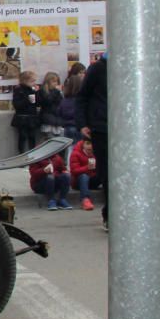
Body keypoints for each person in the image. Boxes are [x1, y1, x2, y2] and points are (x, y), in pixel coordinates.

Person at [75, 53, 109, 228]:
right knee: (108, 172)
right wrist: (83, 124)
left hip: (126, 128)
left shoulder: (132, 66)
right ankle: (110, 214)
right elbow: (82, 97)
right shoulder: (98, 69)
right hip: (102, 128)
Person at [11, 71, 39, 154]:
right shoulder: (18, 90)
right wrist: (27, 100)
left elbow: (37, 103)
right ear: (24, 80)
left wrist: (37, 94)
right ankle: (21, 154)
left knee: (32, 137)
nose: (34, 83)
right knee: (23, 137)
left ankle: (33, 155)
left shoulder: (32, 90)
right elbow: (17, 105)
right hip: (22, 117)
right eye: (32, 81)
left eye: (34, 81)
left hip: (32, 117)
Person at [69, 138, 101, 211]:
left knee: (103, 173)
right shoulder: (75, 154)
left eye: (91, 144)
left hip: (91, 179)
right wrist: (87, 167)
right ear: (83, 145)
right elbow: (74, 171)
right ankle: (85, 199)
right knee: (84, 176)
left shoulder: (95, 153)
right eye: (88, 144)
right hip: (78, 181)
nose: (90, 147)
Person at [38, 71, 64, 138]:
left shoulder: (57, 92)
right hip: (47, 118)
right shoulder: (42, 91)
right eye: (54, 82)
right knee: (49, 138)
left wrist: (59, 93)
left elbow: (61, 103)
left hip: (57, 118)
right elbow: (47, 101)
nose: (56, 84)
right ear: (48, 82)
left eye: (57, 82)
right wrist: (56, 92)